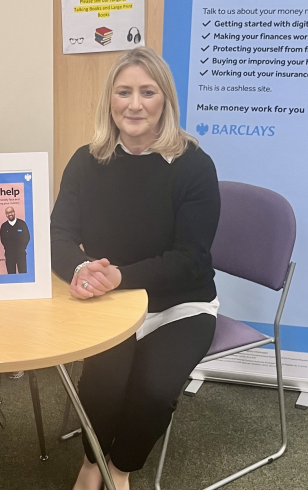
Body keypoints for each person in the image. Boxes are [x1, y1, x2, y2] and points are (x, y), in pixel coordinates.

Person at [51, 46, 220, 490]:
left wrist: (121, 276)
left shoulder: (194, 166)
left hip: (180, 305)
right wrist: (82, 270)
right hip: (110, 302)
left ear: (165, 99)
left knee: (153, 391)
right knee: (104, 384)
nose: (135, 103)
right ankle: (92, 461)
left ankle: (120, 470)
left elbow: (192, 260)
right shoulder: (87, 161)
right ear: (110, 99)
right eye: (124, 92)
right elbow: (58, 236)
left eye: (148, 91)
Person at [0, 206, 30, 274]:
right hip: (9, 256)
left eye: (11, 212)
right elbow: (2, 240)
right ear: (6, 214)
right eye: (7, 213)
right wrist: (9, 249)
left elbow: (27, 237)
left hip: (21, 255)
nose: (10, 214)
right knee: (11, 274)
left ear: (14, 212)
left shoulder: (22, 224)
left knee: (23, 274)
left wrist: (22, 248)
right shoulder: (4, 226)